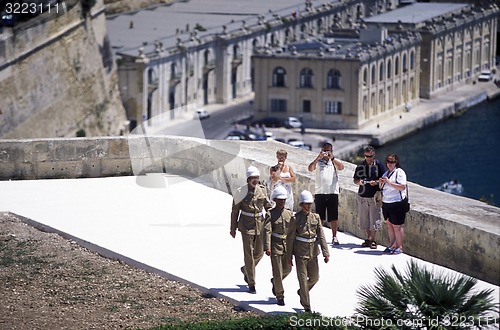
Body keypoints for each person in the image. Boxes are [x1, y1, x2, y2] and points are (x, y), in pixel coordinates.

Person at [230, 166, 273, 293]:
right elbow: (234, 211)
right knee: (248, 255)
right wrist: (233, 228)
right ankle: (251, 282)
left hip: (260, 225)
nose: (255, 180)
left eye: (257, 178)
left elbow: (268, 207)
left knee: (259, 253)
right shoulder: (240, 192)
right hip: (246, 226)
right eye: (253, 178)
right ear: (248, 179)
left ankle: (246, 269)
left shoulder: (262, 191)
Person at [287, 190, 330, 312]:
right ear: (301, 205)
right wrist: (289, 256)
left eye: (310, 203)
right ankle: (306, 305)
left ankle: (302, 292)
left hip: (313, 252)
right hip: (300, 253)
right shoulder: (295, 219)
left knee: (314, 278)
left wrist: (325, 253)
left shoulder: (316, 217)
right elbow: (290, 238)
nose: (309, 206)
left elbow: (321, 236)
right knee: (302, 279)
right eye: (306, 203)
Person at [307, 142, 344, 245]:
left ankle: (334, 237)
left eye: (328, 150)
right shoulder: (318, 162)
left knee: (334, 216)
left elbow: (341, 167)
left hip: (332, 192)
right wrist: (318, 157)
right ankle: (319, 236)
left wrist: (332, 158)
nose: (326, 152)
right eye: (324, 150)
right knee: (320, 216)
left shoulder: (334, 162)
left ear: (331, 151)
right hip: (320, 192)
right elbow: (310, 169)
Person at [264, 186, 295, 306]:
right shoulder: (270, 214)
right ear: (275, 200)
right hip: (275, 245)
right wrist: (267, 246)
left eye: (284, 200)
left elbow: (292, 231)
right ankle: (280, 295)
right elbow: (267, 231)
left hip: (286, 245)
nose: (282, 202)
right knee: (277, 271)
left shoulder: (289, 214)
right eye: (280, 199)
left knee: (287, 269)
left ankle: (275, 282)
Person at [353, 146, 386, 249]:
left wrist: (375, 182)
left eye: (370, 156)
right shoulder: (360, 166)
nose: (368, 158)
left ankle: (372, 240)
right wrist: (361, 182)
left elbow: (384, 178)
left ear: (374, 155)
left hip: (374, 196)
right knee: (365, 219)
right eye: (367, 156)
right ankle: (368, 238)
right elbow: (355, 180)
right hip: (363, 195)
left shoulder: (378, 165)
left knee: (374, 219)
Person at [378, 154, 408, 255]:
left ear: (396, 163)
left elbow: (402, 187)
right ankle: (392, 245)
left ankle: (399, 246)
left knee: (397, 226)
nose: (390, 164)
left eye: (392, 162)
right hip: (386, 202)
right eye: (388, 162)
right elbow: (382, 188)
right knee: (389, 225)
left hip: (397, 202)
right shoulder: (386, 173)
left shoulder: (399, 172)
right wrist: (381, 183)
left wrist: (389, 182)